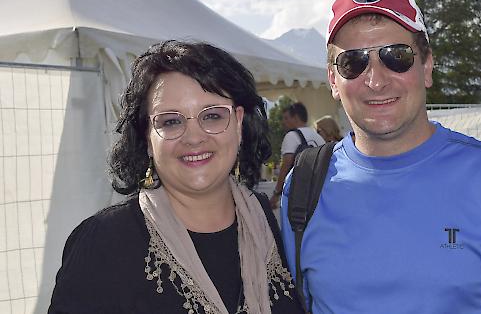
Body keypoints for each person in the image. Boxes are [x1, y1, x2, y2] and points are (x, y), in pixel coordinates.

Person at [280, 0, 481, 313]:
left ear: (427, 67)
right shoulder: (305, 186)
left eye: (397, 56)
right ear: (334, 81)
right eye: (353, 62)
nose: (376, 80)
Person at [48, 41, 304, 314]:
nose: (194, 137)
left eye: (213, 116)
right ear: (147, 137)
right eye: (171, 121)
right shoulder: (103, 243)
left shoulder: (266, 222)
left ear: (239, 123)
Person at [269, 102, 324, 209]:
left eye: (286, 118)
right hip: (318, 193)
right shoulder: (318, 137)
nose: (283, 122)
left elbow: (286, 165)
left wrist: (276, 193)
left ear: (296, 118)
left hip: (297, 195)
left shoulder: (291, 136)